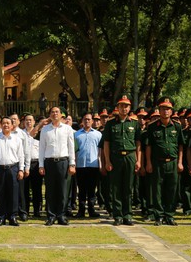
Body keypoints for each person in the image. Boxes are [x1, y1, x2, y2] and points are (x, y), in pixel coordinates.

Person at [142, 97, 184, 226]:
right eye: (163, 109)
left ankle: (169, 215)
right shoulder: (152, 127)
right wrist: (148, 163)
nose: (166, 111)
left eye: (168, 109)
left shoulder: (177, 126)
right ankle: (158, 215)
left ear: (171, 111)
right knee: (157, 190)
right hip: (157, 162)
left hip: (172, 161)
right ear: (159, 110)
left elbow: (181, 145)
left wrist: (180, 162)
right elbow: (148, 146)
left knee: (171, 189)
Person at [102, 95, 141, 225]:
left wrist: (138, 160)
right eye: (121, 106)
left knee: (128, 187)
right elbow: (106, 143)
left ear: (130, 108)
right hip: (115, 157)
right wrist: (107, 161)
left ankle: (128, 214)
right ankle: (117, 215)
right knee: (116, 187)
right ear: (117, 108)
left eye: (126, 106)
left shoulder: (134, 123)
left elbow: (138, 143)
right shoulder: (110, 124)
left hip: (130, 156)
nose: (124, 108)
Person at [39, 106, 76, 225]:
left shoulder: (67, 129)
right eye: (52, 112)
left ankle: (61, 215)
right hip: (49, 162)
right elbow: (41, 149)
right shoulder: (45, 130)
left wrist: (72, 163)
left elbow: (71, 147)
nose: (55, 114)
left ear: (61, 115)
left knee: (62, 190)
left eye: (57, 112)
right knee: (50, 190)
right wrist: (41, 165)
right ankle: (51, 215)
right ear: (49, 115)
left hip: (63, 162)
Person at [0, 116, 26, 226]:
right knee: (0, 193)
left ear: (12, 125)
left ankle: (13, 217)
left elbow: (21, 156)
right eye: (3, 123)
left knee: (13, 193)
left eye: (8, 123)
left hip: (13, 168)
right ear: (0, 125)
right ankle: (1, 217)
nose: (5, 125)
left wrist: (21, 169)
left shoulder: (17, 139)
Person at [74, 112, 101, 218]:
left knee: (91, 190)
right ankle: (81, 210)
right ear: (82, 121)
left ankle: (91, 210)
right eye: (85, 119)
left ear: (92, 121)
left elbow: (100, 151)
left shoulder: (98, 135)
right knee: (81, 190)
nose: (87, 121)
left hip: (93, 165)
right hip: (80, 165)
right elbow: (74, 151)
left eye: (89, 119)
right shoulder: (76, 134)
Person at [23, 114, 43, 218]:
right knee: (25, 189)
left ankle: (37, 210)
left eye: (30, 120)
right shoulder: (20, 134)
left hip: (36, 164)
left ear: (34, 122)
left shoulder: (40, 134)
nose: (28, 122)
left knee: (37, 189)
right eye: (26, 120)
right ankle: (25, 210)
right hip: (24, 164)